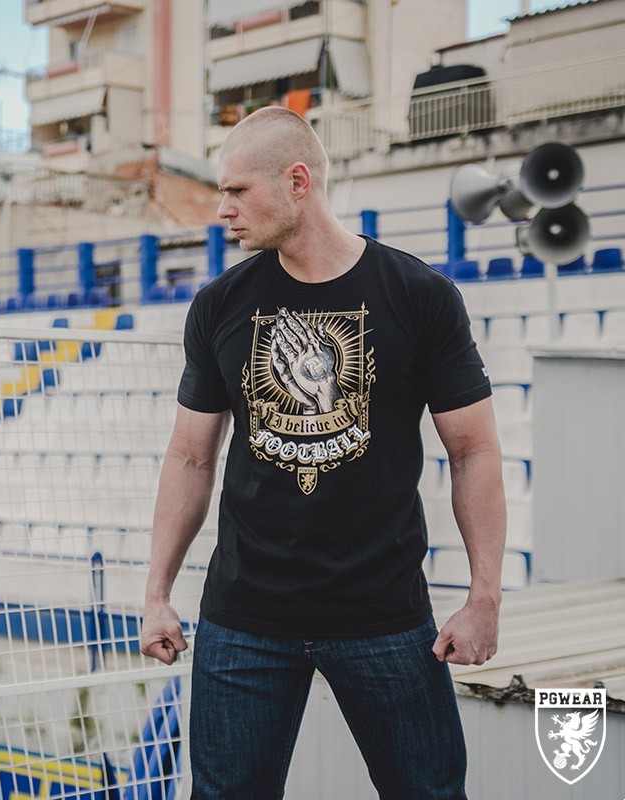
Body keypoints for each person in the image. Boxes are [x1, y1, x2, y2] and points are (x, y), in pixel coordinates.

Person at [140, 106, 506, 800]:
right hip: (244, 620)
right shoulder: (219, 306)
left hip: (384, 616)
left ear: (298, 182)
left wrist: (483, 596)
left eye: (237, 191)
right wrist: (157, 593)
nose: (222, 210)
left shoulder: (419, 295)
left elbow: (474, 450)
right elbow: (190, 457)